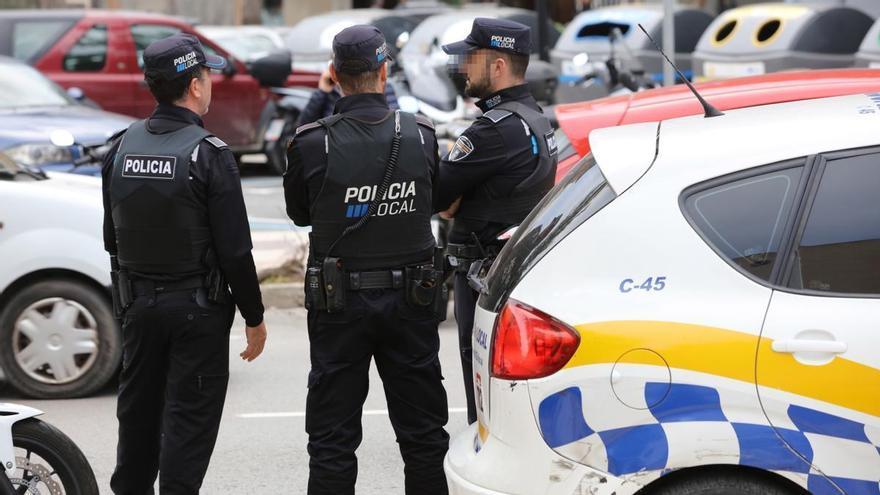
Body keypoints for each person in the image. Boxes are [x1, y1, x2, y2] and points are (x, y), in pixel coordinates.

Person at [284, 25, 449, 495]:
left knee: (332, 441)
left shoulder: (313, 142)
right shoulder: (420, 134)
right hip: (412, 301)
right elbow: (433, 200)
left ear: (334, 75)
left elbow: (299, 213)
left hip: (339, 305)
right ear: (384, 70)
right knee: (423, 438)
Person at [101, 33, 268, 494]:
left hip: (138, 307)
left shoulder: (119, 148)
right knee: (187, 428)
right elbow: (235, 251)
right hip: (197, 312)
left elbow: (111, 239)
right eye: (208, 75)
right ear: (194, 86)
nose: (212, 83)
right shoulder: (209, 154)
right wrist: (254, 317)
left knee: (137, 419)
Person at [437, 18, 558, 425]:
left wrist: (456, 197)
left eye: (471, 59)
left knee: (485, 402)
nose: (463, 69)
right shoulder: (535, 118)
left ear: (498, 64)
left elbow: (439, 197)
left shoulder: (493, 131)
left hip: (481, 276)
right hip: (510, 273)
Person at [295, 63, 399, 127]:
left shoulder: (384, 87)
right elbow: (304, 125)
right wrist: (322, 91)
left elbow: (395, 121)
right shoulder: (329, 91)